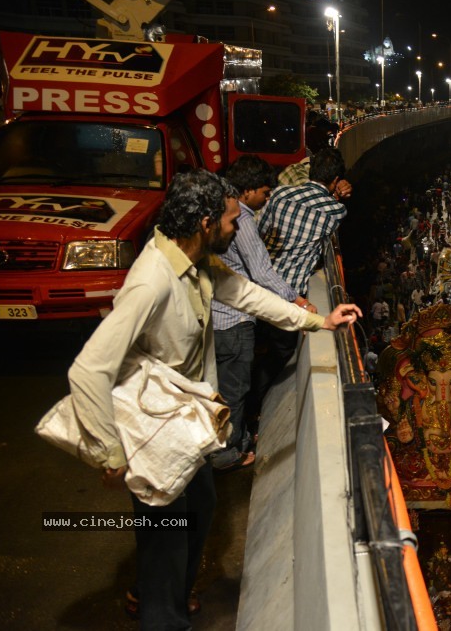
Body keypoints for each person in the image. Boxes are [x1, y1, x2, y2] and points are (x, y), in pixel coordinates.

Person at [66, 169, 362, 628]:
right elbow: (87, 369)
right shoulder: (153, 281)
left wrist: (317, 321)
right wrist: (111, 452)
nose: (238, 227)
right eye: (230, 220)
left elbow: (245, 293)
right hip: (152, 429)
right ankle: (160, 611)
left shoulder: (197, 261)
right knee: (164, 539)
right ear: (205, 222)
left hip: (188, 421)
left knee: (200, 508)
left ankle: (158, 592)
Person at [210, 155, 316, 472]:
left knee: (223, 386)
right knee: (235, 390)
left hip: (215, 317)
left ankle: (234, 439)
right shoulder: (239, 219)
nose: (266, 200)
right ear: (248, 191)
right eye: (265, 193)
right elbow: (261, 273)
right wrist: (297, 300)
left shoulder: (221, 212)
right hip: (233, 320)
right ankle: (228, 452)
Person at [253, 147, 352, 411]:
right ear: (334, 181)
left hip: (260, 284)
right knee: (281, 353)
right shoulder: (335, 210)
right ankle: (257, 406)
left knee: (254, 349)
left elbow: (259, 231)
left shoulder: (281, 193)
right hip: (290, 295)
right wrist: (338, 195)